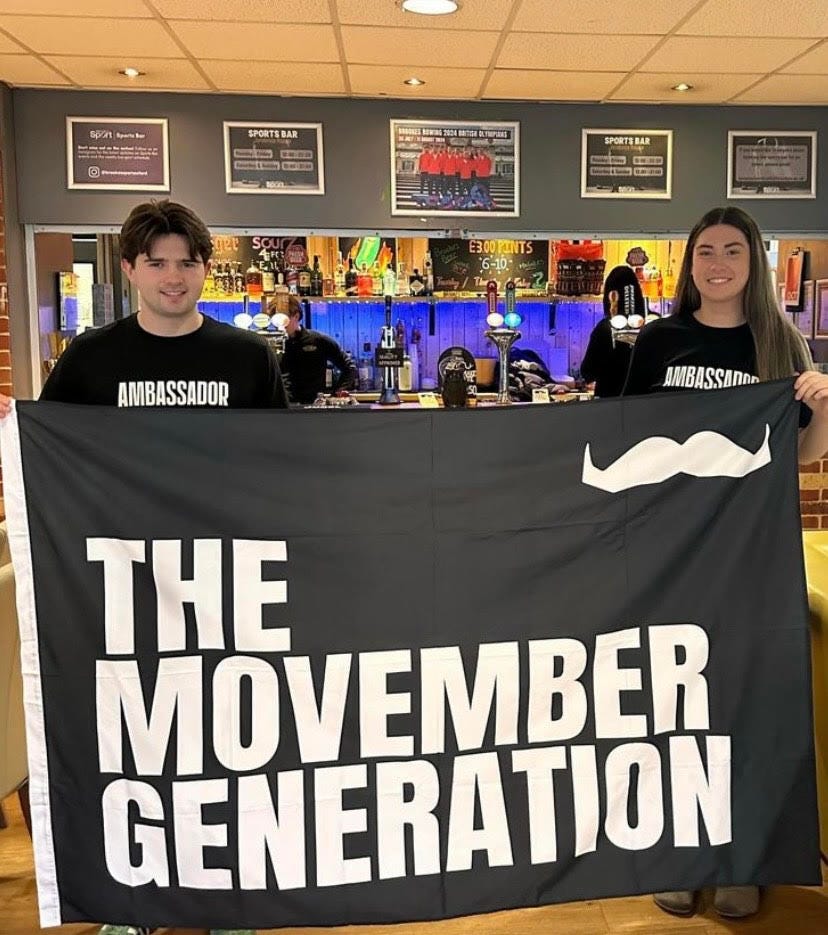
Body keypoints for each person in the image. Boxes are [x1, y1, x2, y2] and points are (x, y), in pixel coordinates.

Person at [0, 198, 289, 935]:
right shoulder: (90, 359)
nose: (172, 277)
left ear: (205, 268)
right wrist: (14, 430)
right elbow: (49, 452)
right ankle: (137, 896)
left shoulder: (247, 357)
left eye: (186, 262)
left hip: (225, 578)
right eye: (156, 262)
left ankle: (224, 891)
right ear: (129, 268)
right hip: (121, 580)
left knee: (228, 738)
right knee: (136, 739)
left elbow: (287, 464)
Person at [623, 205, 828, 919]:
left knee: (744, 705)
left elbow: (803, 454)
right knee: (675, 704)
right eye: (705, 251)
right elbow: (620, 436)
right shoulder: (659, 341)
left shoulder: (780, 341)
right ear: (690, 263)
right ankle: (683, 853)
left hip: (751, 553)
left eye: (733, 250)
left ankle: (745, 859)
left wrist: (824, 407)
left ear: (753, 261)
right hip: (673, 551)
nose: (718, 264)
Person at [275, 294, 358, 404]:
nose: (280, 326)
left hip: (313, 406)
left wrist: (336, 395)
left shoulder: (318, 340)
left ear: (296, 316)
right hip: (281, 407)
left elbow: (349, 367)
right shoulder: (272, 344)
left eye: (284, 320)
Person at [580, 265, 646, 397]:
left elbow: (587, 371)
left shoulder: (604, 329)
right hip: (643, 403)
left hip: (610, 402)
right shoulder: (650, 327)